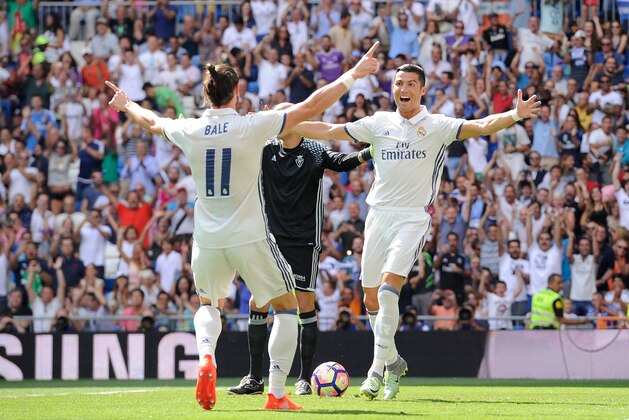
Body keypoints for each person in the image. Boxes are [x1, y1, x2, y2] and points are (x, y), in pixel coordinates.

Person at [105, 42, 379, 411]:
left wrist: (127, 105)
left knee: (209, 303)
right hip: (249, 235)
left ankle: (206, 356)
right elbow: (311, 106)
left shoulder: (190, 129)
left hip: (206, 238)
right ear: (237, 92)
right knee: (285, 306)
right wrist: (354, 73)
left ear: (206, 94)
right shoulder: (253, 125)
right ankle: (278, 393)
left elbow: (152, 122)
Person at [289, 63, 540, 400]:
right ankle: (394, 362)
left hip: (412, 218)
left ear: (423, 90)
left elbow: (480, 126)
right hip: (377, 216)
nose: (402, 89)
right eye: (397, 83)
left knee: (390, 289)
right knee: (370, 298)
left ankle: (375, 372)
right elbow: (331, 130)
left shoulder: (437, 126)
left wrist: (514, 114)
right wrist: (284, 123)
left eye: (410, 83)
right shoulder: (379, 122)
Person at [228, 103, 371, 396]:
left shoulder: (315, 151)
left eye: (280, 118)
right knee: (258, 302)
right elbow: (237, 144)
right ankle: (255, 378)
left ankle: (304, 378)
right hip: (269, 239)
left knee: (304, 304)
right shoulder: (264, 150)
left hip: (304, 240)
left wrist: (369, 151)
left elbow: (343, 162)